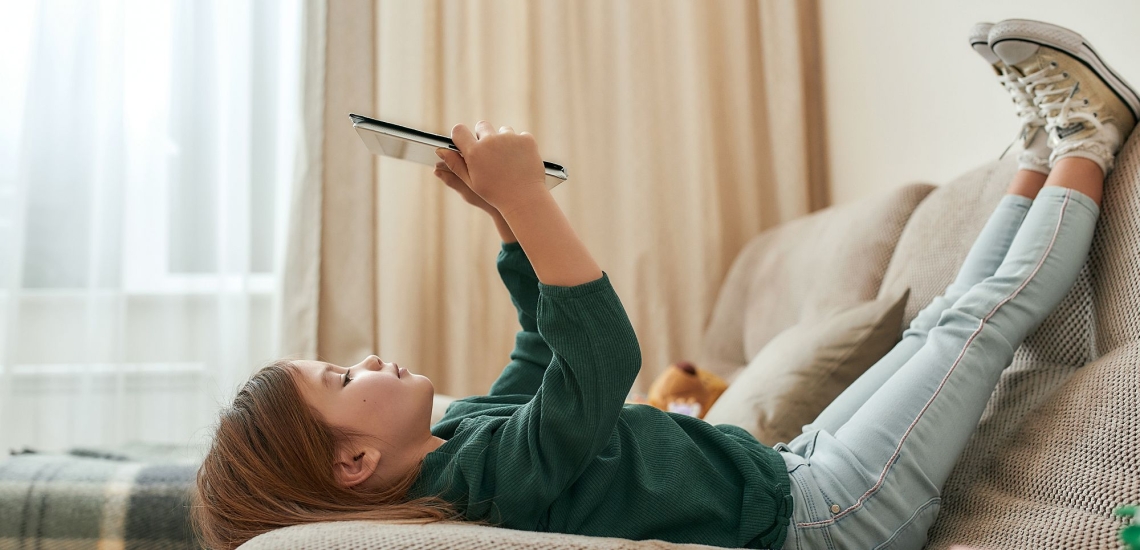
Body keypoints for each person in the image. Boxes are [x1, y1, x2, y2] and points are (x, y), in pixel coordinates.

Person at [191, 19, 1138, 550]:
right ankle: (1091, 134)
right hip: (829, 519)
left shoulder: (464, 437)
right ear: (353, 464)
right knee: (968, 323)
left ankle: (1036, 151)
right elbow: (600, 363)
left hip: (791, 475)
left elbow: (542, 354)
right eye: (340, 379)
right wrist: (529, 203)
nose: (365, 359)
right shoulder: (482, 484)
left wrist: (504, 224)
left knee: (940, 320)